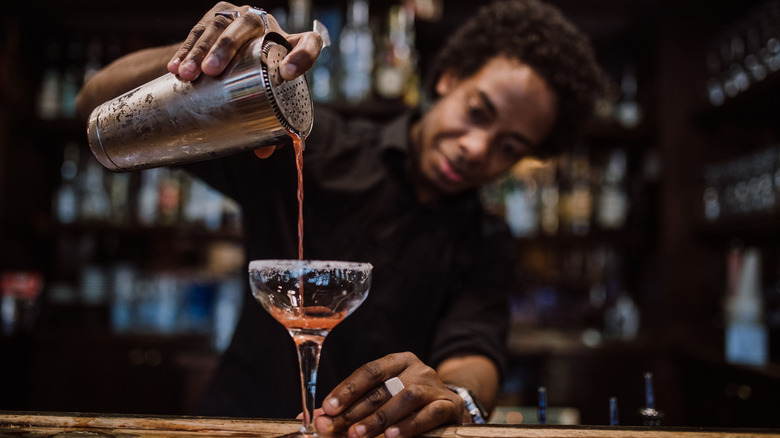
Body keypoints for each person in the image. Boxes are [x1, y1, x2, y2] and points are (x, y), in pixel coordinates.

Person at [75, 1, 603, 437]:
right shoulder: (311, 142)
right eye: (478, 112)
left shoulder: (486, 239)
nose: (475, 147)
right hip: (239, 423)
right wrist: (208, 64)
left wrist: (450, 396)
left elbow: (475, 352)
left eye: (509, 146)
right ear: (448, 78)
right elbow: (94, 108)